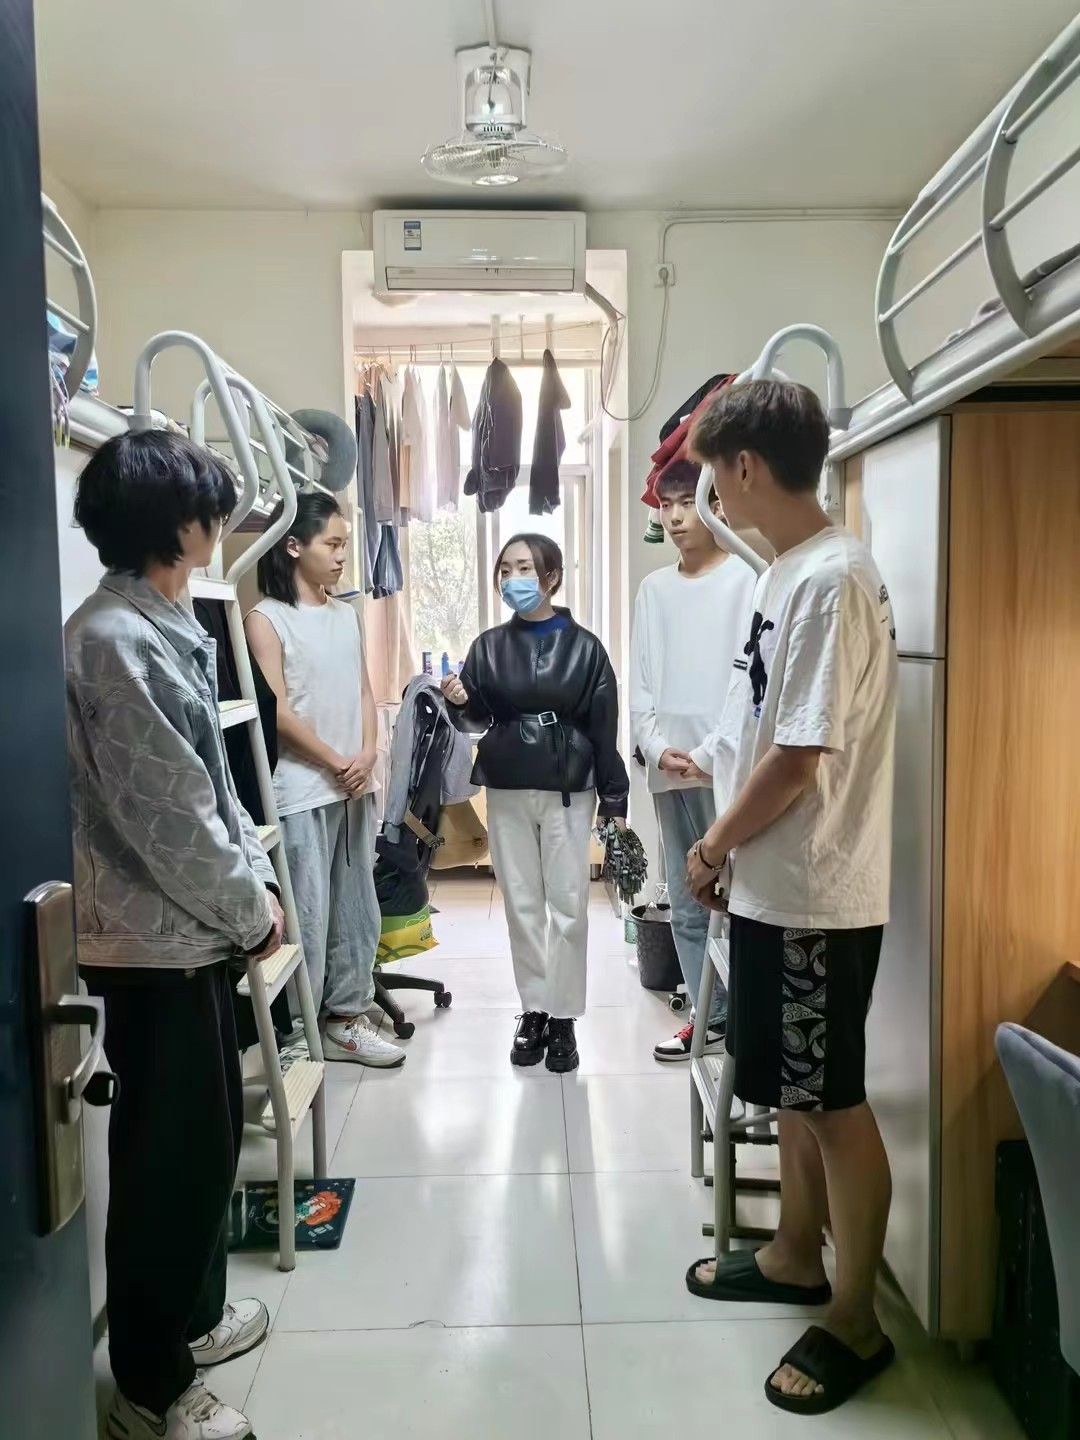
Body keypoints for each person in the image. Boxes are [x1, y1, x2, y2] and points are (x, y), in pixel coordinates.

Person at [683, 380, 898, 1416]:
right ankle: (794, 1253)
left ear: (747, 467)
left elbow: (800, 757)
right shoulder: (788, 572)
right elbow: (760, 724)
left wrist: (712, 845)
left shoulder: (833, 580)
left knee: (832, 1101)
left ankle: (857, 1318)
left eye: (714, 476)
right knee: (795, 1095)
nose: (711, 497)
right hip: (776, 885)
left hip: (814, 891)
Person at [66, 430, 283, 1440]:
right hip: (151, 943)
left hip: (192, 934)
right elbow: (172, 817)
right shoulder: (112, 640)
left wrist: (252, 890)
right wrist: (251, 908)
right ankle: (150, 1390)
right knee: (168, 1165)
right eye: (212, 510)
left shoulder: (159, 621)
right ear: (178, 524)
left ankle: (192, 1320)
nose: (221, 525)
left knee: (207, 1144)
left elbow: (212, 786)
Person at [441, 534, 630, 1072]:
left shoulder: (585, 648)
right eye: (505, 569)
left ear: (552, 577)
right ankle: (535, 1009)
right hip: (507, 784)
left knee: (568, 903)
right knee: (522, 905)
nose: (512, 579)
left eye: (524, 568)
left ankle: (564, 1016)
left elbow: (604, 727)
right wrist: (461, 701)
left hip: (570, 785)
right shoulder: (488, 646)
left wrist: (615, 800)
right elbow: (477, 719)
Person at [245, 492, 404, 1068]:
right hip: (302, 789)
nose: (341, 556)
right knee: (306, 916)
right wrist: (336, 761)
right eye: (331, 544)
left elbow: (364, 692)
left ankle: (345, 1020)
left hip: (354, 784)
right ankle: (297, 1037)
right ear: (293, 545)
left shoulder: (345, 614)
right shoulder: (266, 618)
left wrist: (367, 753)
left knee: (357, 910)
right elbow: (278, 712)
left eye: (344, 545)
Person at [630, 463, 756, 1062]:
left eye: (688, 502)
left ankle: (742, 1021)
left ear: (716, 505)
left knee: (735, 896)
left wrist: (709, 754)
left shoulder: (746, 580)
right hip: (667, 767)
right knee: (685, 898)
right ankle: (706, 1018)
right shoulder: (653, 589)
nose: (676, 516)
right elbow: (641, 682)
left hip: (724, 768)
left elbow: (747, 682)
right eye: (667, 505)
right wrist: (656, 747)